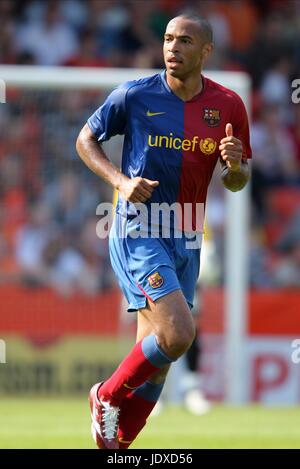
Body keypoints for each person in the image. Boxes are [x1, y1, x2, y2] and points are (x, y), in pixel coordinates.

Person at [76, 13, 251, 449]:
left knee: (161, 356)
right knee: (179, 334)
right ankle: (106, 395)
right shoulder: (134, 96)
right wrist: (119, 181)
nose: (173, 47)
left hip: (189, 232)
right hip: (140, 227)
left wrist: (233, 166)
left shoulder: (228, 106)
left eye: (185, 41)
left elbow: (237, 180)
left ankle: (117, 445)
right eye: (169, 39)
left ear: (206, 51)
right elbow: (85, 139)